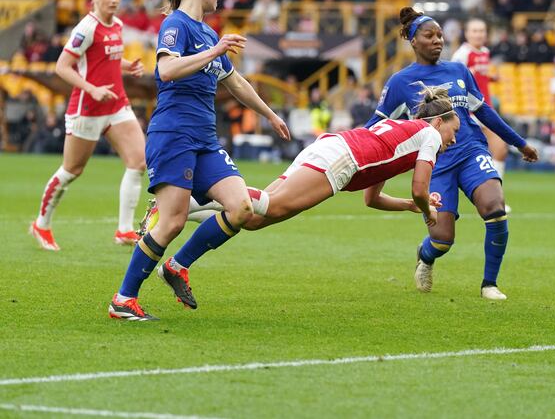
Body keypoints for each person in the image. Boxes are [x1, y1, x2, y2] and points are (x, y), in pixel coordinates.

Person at [139, 87, 460, 307]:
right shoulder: (429, 133)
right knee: (264, 205)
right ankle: (182, 206)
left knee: (252, 219)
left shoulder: (404, 137)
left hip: (334, 149)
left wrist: (408, 206)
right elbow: (420, 188)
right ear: (437, 121)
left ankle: (177, 259)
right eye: (453, 130)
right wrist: (426, 211)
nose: (453, 139)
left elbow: (371, 199)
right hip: (342, 159)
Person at [108, 0, 290, 321]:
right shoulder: (176, 25)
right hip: (173, 135)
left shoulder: (208, 33)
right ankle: (123, 300)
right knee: (172, 222)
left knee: (241, 207)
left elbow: (235, 82)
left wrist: (269, 114)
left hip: (205, 139)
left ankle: (177, 265)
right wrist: (216, 50)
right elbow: (167, 69)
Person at [367, 8, 539, 301]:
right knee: (443, 239)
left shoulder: (459, 71)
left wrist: (519, 143)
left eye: (440, 35)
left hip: (472, 149)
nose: (437, 41)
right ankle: (426, 255)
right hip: (436, 162)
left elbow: (484, 111)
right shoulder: (399, 82)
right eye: (429, 35)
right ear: (413, 41)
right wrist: (347, 146)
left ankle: (489, 284)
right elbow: (375, 124)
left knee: (495, 207)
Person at [30, 0, 146, 251]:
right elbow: (62, 67)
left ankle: (125, 230)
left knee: (139, 161)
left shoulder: (116, 25)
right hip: (88, 108)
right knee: (72, 170)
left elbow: (106, 60)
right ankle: (41, 224)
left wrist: (127, 65)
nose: (114, 0)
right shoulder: (86, 28)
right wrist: (92, 89)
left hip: (116, 103)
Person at [451, 19, 509, 183]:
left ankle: (494, 193)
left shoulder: (484, 51)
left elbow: (477, 79)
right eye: (475, 31)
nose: (479, 34)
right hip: (468, 110)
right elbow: (454, 79)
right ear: (467, 33)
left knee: (500, 149)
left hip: (484, 107)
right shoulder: (462, 54)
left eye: (482, 31)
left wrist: (490, 77)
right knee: (457, 154)